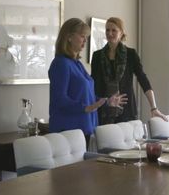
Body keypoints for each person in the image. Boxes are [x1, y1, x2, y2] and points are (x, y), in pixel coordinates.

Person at [48, 18, 127, 146]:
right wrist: (86, 108)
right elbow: (59, 99)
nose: (85, 40)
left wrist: (106, 102)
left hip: (84, 128)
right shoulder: (60, 64)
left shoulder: (77, 64)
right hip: (68, 131)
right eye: (82, 36)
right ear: (69, 37)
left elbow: (87, 96)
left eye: (86, 37)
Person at [91, 17, 167, 125]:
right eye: (107, 30)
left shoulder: (131, 54)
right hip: (104, 110)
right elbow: (93, 84)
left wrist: (154, 108)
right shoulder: (97, 56)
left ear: (121, 33)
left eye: (114, 30)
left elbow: (143, 79)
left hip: (127, 110)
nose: (110, 33)